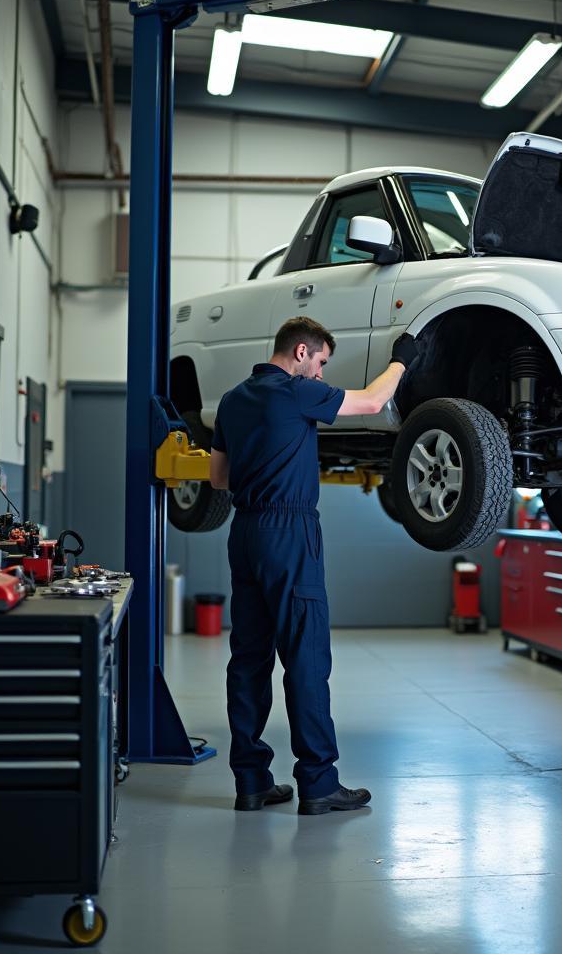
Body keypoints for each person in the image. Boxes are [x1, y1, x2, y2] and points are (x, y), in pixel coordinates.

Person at [208, 316, 419, 814]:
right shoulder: (297, 392)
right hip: (290, 533)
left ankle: (253, 782)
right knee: (305, 659)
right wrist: (403, 359)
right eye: (322, 362)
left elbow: (219, 479)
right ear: (300, 352)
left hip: (245, 533)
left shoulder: (232, 400)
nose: (322, 374)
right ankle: (319, 784)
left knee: (249, 660)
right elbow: (371, 401)